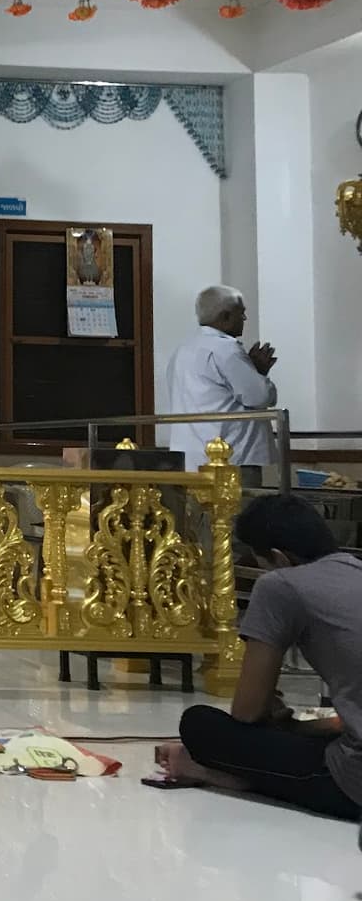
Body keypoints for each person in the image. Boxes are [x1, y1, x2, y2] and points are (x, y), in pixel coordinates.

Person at [155, 494, 362, 821]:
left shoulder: (280, 585)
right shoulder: (355, 570)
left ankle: (218, 773)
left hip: (354, 784)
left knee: (199, 724)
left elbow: (247, 712)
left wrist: (276, 718)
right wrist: (294, 727)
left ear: (278, 558)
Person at [166, 284, 277, 469]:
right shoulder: (225, 349)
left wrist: (250, 370)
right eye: (240, 313)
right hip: (231, 461)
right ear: (225, 317)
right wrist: (259, 372)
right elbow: (260, 396)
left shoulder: (182, 350)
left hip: (191, 460)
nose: (244, 318)